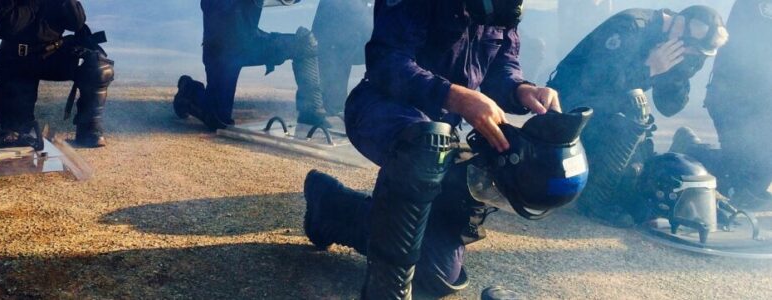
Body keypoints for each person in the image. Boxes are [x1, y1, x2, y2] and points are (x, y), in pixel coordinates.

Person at [302, 0, 568, 298]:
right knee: (428, 145)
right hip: (381, 109)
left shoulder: (503, 6)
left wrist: (522, 90)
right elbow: (386, 62)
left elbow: (502, 69)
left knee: (437, 274)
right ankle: (384, 292)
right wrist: (456, 97)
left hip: (440, 129)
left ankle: (330, 207)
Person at [546, 5, 728, 227]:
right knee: (634, 108)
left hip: (610, 117)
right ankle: (595, 202)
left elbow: (669, 107)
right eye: (691, 49)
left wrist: (677, 73)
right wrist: (648, 68)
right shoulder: (631, 27)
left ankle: (686, 149)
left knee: (640, 178)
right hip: (569, 111)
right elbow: (594, 83)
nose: (691, 55)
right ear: (679, 25)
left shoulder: (668, 42)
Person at [669, 0, 772, 209]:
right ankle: (692, 152)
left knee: (754, 180)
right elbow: (754, 54)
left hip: (761, 103)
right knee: (743, 187)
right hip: (739, 101)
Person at [173, 0, 329, 130]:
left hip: (250, 42)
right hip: (222, 50)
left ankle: (311, 111)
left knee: (304, 44)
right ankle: (188, 91)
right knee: (218, 120)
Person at [0, 0, 114, 148]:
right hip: (17, 59)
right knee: (18, 133)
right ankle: (16, 124)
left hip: (52, 53)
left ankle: (89, 127)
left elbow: (77, 22)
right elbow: (12, 24)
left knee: (98, 67)